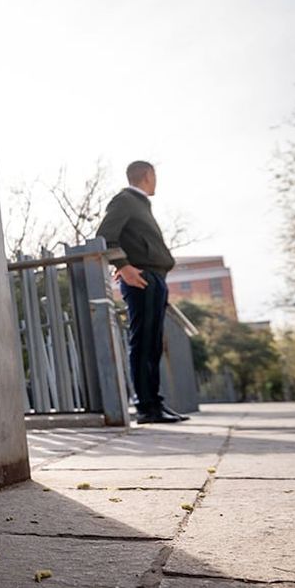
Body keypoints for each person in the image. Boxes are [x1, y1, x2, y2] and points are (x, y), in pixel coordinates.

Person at [96, 161, 187, 424]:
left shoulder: (141, 204)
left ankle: (155, 403)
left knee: (153, 343)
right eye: (155, 176)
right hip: (141, 278)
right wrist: (123, 266)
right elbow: (105, 236)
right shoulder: (125, 200)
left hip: (154, 278)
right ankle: (147, 407)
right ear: (147, 175)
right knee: (144, 342)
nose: (156, 180)